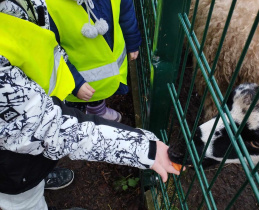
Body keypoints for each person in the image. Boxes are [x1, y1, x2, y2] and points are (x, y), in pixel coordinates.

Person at [0, 1, 179, 209]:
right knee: (25, 202)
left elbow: (48, 43)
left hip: (38, 125)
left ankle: (42, 176)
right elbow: (47, 130)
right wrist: (140, 148)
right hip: (13, 162)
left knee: (39, 163)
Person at [46, 0, 142, 122]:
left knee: (97, 93)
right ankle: (80, 123)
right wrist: (75, 83)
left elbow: (126, 13)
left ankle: (98, 111)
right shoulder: (48, 7)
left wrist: (132, 40)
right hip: (75, 79)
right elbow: (50, 51)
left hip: (103, 77)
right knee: (74, 112)